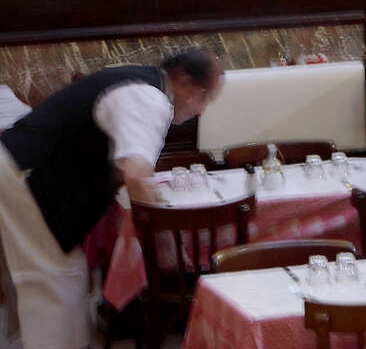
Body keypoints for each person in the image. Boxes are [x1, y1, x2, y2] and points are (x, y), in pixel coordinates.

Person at [0, 49, 224, 349]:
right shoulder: (149, 98)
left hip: (20, 167)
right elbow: (135, 171)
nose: (202, 110)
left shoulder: (138, 83)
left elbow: (125, 168)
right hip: (28, 173)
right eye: (204, 96)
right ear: (184, 81)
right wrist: (163, 231)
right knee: (56, 280)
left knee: (52, 277)